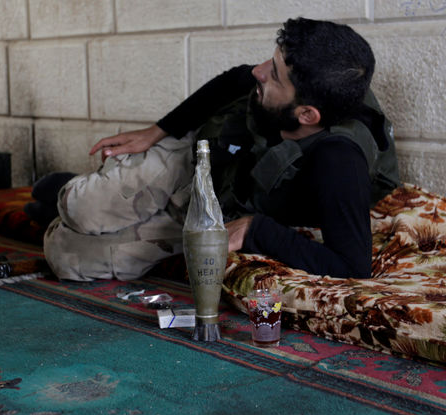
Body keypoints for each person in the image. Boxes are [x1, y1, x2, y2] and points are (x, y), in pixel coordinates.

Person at [31, 18, 399, 282]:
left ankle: (54, 216)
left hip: (225, 206)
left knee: (67, 257)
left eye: (274, 74)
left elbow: (352, 266)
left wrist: (257, 230)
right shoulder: (287, 80)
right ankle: (68, 195)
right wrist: (158, 131)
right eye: (270, 62)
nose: (259, 72)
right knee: (84, 206)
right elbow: (233, 79)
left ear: (307, 114)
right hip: (200, 154)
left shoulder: (340, 162)